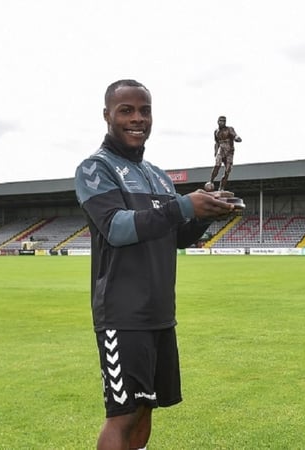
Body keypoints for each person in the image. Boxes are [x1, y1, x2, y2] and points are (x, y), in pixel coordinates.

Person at [74, 79, 234, 450]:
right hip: (122, 312)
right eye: (126, 110)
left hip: (160, 312)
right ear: (106, 116)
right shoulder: (95, 169)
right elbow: (116, 227)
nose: (137, 119)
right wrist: (182, 206)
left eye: (144, 110)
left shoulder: (158, 175)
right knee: (123, 413)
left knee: (146, 408)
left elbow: (176, 235)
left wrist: (208, 212)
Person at [207, 115, 242, 192]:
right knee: (217, 165)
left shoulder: (229, 129)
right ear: (218, 122)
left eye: (224, 121)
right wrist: (216, 152)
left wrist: (237, 138)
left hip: (229, 151)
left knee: (227, 170)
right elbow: (216, 142)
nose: (222, 122)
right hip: (221, 149)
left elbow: (234, 135)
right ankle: (211, 181)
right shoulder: (216, 132)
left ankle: (221, 187)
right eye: (221, 120)